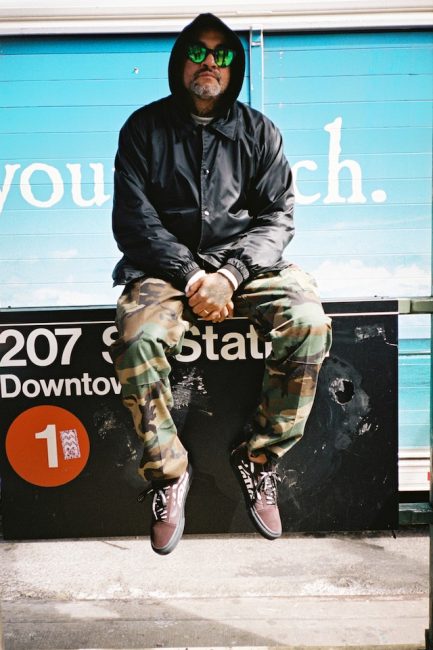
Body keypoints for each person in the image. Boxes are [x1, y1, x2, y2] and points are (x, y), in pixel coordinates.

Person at [110, 13, 332, 555]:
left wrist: (230, 274)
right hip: (164, 270)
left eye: (223, 54)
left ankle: (259, 456)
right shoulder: (142, 129)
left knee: (308, 323)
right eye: (198, 51)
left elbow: (278, 216)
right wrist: (193, 277)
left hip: (247, 267)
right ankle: (169, 472)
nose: (210, 62)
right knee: (138, 339)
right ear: (179, 62)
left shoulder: (260, 132)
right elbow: (135, 220)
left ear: (235, 68)